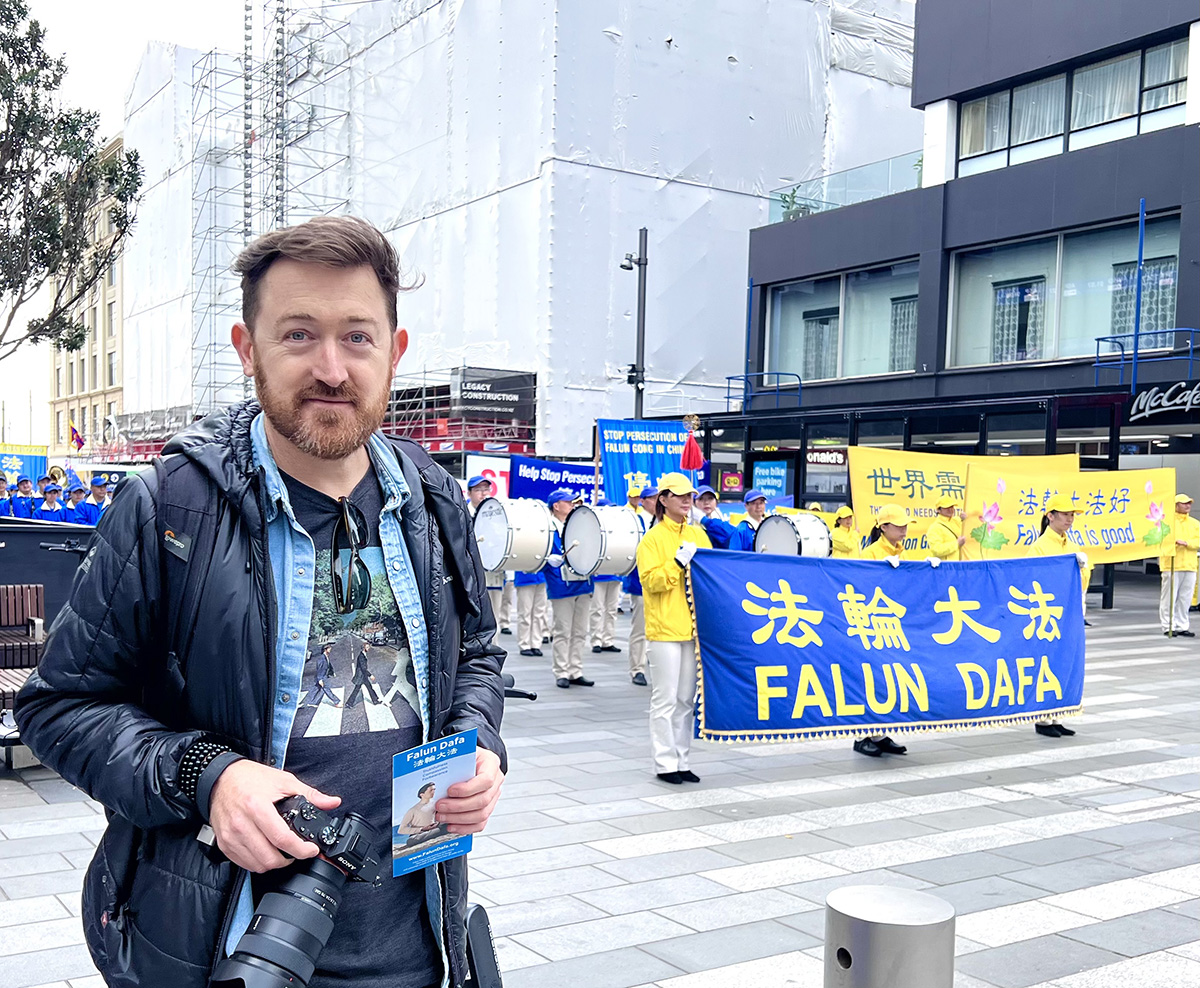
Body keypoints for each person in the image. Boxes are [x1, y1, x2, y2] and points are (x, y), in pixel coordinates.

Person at [16, 215, 506, 988]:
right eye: (298, 335)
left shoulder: (434, 500)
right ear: (248, 350)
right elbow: (59, 707)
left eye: (357, 337)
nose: (332, 369)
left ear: (395, 351)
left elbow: (476, 654)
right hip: (226, 944)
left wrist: (479, 742)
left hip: (418, 946)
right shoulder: (171, 508)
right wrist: (207, 776)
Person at [636, 473, 712, 783]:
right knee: (665, 699)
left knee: (685, 700)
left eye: (689, 495)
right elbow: (651, 582)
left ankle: (682, 759)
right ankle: (665, 763)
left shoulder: (697, 534)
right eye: (679, 495)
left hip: (693, 630)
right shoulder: (652, 539)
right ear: (663, 500)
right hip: (665, 629)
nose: (686, 500)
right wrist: (678, 563)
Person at [1026, 492, 1090, 738]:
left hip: (1069, 611)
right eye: (1064, 514)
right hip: (1049, 613)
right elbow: (1034, 580)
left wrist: (1082, 569)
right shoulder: (1039, 547)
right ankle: (1043, 719)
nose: (1070, 519)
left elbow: (1083, 581)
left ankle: (1057, 715)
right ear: (1050, 516)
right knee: (1047, 662)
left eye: (1072, 515)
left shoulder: (1071, 544)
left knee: (1064, 662)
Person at [854, 503, 911, 758]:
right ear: (884, 527)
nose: (904, 530)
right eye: (898, 525)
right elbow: (862, 588)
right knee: (871, 678)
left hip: (893, 624)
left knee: (888, 679)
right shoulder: (871, 553)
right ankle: (861, 736)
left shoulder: (902, 552)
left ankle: (879, 733)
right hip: (873, 624)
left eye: (905, 525)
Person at [544, 488, 594, 687]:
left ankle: (575, 669)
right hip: (561, 584)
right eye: (568, 502)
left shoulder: (578, 525)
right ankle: (561, 671)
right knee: (563, 630)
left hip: (583, 582)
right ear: (556, 506)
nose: (572, 505)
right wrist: (549, 559)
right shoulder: (548, 528)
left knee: (580, 630)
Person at [1159, 493, 1197, 638]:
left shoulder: (1195, 523)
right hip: (1171, 565)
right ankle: (1168, 625)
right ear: (1176, 505)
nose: (1188, 505)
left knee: (1185, 598)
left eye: (1189, 503)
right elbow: (1160, 540)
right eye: (1184, 503)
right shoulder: (1166, 523)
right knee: (1169, 598)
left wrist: (1187, 543)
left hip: (1190, 564)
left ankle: (1182, 625)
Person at [589, 498, 623, 655]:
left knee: (611, 609)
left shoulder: (617, 529)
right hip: (599, 575)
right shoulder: (593, 530)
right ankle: (596, 640)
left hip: (614, 574)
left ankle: (608, 640)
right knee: (597, 609)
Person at [623, 502, 649, 687]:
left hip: (665, 587)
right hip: (640, 584)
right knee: (640, 629)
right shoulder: (635, 521)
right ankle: (637, 669)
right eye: (652, 498)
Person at [515, 565, 549, 656]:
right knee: (525, 613)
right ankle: (524, 644)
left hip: (542, 577)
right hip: (525, 578)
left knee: (539, 613)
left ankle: (536, 644)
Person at [695, 484, 737, 549]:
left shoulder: (719, 521)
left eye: (710, 498)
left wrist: (705, 520)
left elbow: (733, 536)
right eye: (701, 499)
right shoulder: (689, 522)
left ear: (716, 502)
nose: (706, 502)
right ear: (693, 503)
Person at [301, 643, 342, 707]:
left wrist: (332, 672)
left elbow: (328, 665)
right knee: (326, 689)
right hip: (322, 677)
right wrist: (320, 679)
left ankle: (308, 702)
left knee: (315, 689)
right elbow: (320, 669)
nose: (330, 650)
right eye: (329, 648)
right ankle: (336, 702)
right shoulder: (321, 659)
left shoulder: (325, 657)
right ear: (325, 649)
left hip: (322, 676)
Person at [926, 495, 965, 561]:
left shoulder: (957, 521)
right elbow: (936, 549)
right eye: (946, 507)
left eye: (952, 507)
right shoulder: (935, 527)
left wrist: (966, 519)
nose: (950, 509)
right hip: (946, 565)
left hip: (961, 563)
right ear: (939, 510)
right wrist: (956, 544)